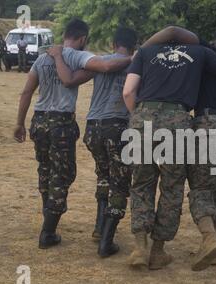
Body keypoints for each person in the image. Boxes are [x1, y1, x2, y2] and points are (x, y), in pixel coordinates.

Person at [123, 26, 216, 270]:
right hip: (178, 121)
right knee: (172, 188)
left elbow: (128, 91)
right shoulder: (199, 53)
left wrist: (140, 118)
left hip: (142, 119)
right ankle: (159, 251)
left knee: (141, 183)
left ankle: (139, 248)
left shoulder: (144, 52)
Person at [13, 18, 132, 250]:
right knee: (63, 175)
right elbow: (105, 67)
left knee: (45, 170)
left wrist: (19, 122)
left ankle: (50, 222)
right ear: (83, 38)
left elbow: (27, 91)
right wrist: (132, 59)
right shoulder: (77, 56)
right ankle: (47, 232)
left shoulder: (41, 58)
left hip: (39, 120)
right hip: (61, 124)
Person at [47, 27, 138, 258]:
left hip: (93, 127)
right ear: (133, 46)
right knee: (120, 184)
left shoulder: (98, 62)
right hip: (117, 126)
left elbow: (71, 79)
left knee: (104, 175)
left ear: (113, 43)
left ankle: (99, 227)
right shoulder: (136, 63)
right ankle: (106, 242)